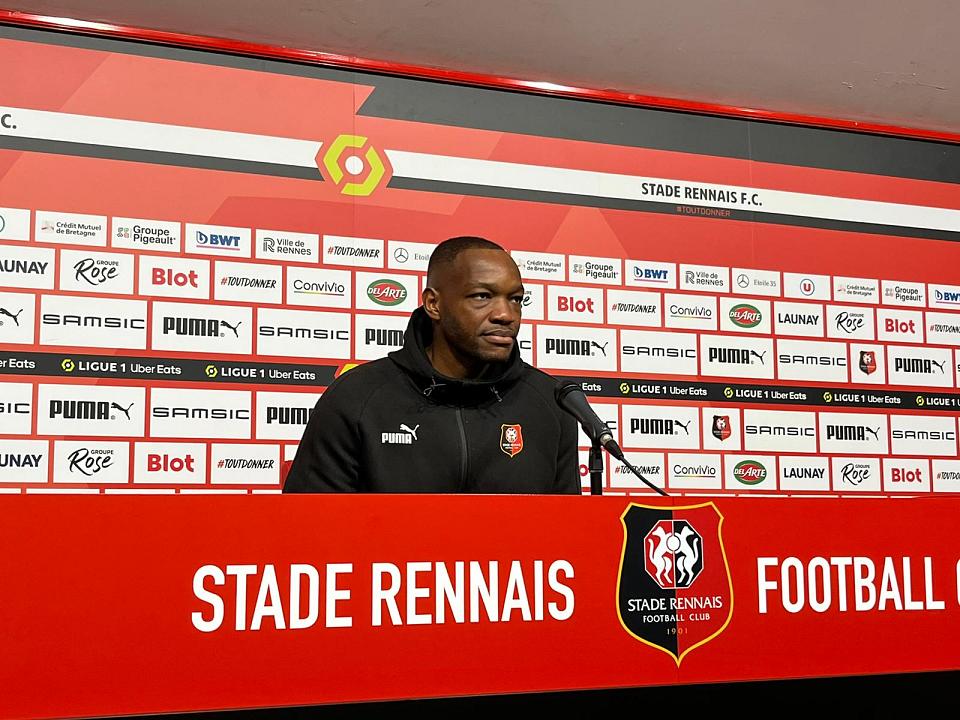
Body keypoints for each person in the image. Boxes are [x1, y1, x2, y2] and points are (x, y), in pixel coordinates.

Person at [283, 236, 580, 494]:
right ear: (433, 304)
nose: (505, 314)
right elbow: (308, 532)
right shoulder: (356, 397)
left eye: (515, 299)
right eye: (482, 296)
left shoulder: (552, 403)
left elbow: (568, 534)